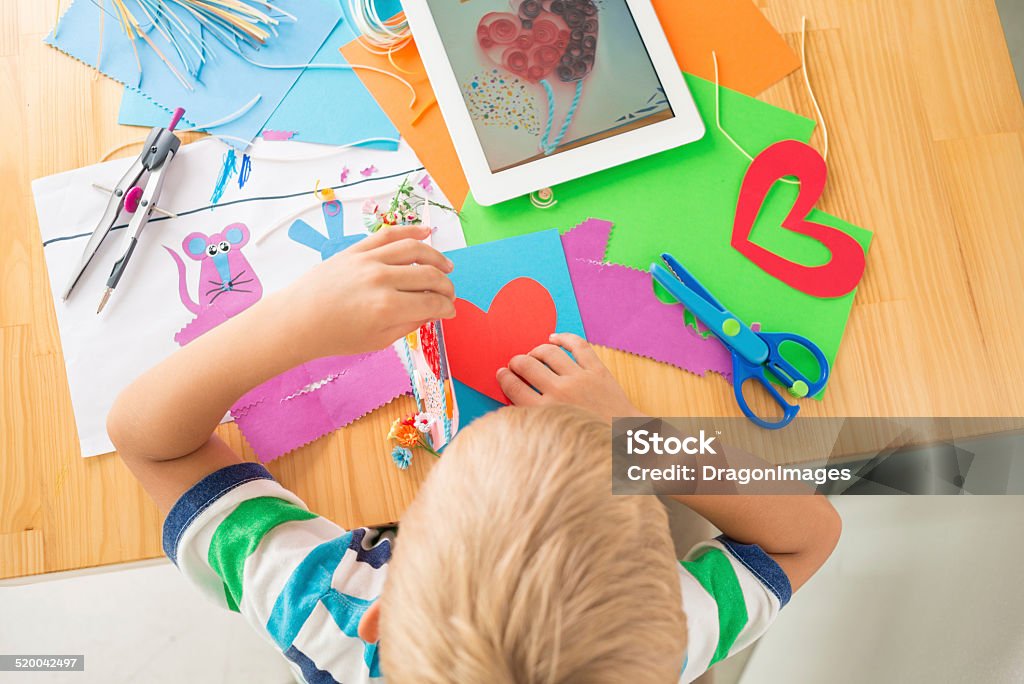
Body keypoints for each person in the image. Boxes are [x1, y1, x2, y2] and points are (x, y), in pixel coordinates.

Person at [108, 226, 841, 683]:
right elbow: (810, 534)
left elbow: (151, 443)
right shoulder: (656, 645)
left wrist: (294, 322)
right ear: (665, 598)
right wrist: (632, 436)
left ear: (378, 613)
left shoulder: (322, 615)